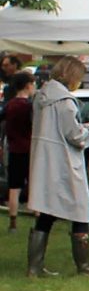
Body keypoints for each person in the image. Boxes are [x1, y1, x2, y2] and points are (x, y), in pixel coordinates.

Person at [24, 56, 89, 277]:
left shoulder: (41, 97)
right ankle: (84, 265)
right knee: (80, 210)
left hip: (46, 160)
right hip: (63, 162)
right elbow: (75, 135)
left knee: (47, 211)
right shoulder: (64, 101)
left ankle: (34, 266)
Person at [4, 70, 33, 229]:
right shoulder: (29, 107)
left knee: (14, 187)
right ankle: (38, 217)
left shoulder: (9, 105)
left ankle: (13, 222)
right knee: (34, 185)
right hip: (30, 149)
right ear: (28, 85)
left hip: (14, 149)